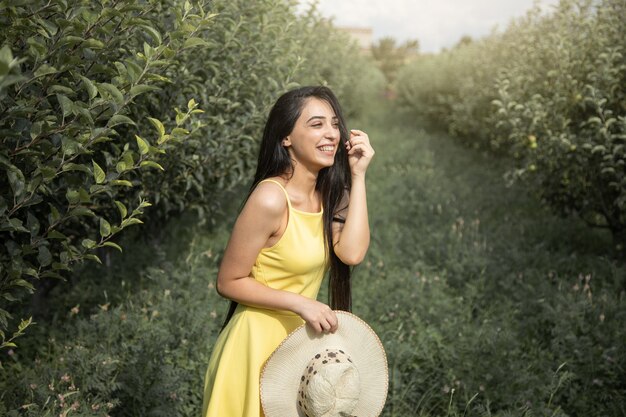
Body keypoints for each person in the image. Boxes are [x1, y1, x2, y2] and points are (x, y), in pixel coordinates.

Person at [201, 86, 374, 417]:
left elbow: (351, 254)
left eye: (335, 124)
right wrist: (301, 303)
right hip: (253, 348)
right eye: (316, 124)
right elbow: (229, 281)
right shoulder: (270, 199)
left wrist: (359, 176)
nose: (331, 134)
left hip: (298, 350)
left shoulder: (332, 196)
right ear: (286, 138)